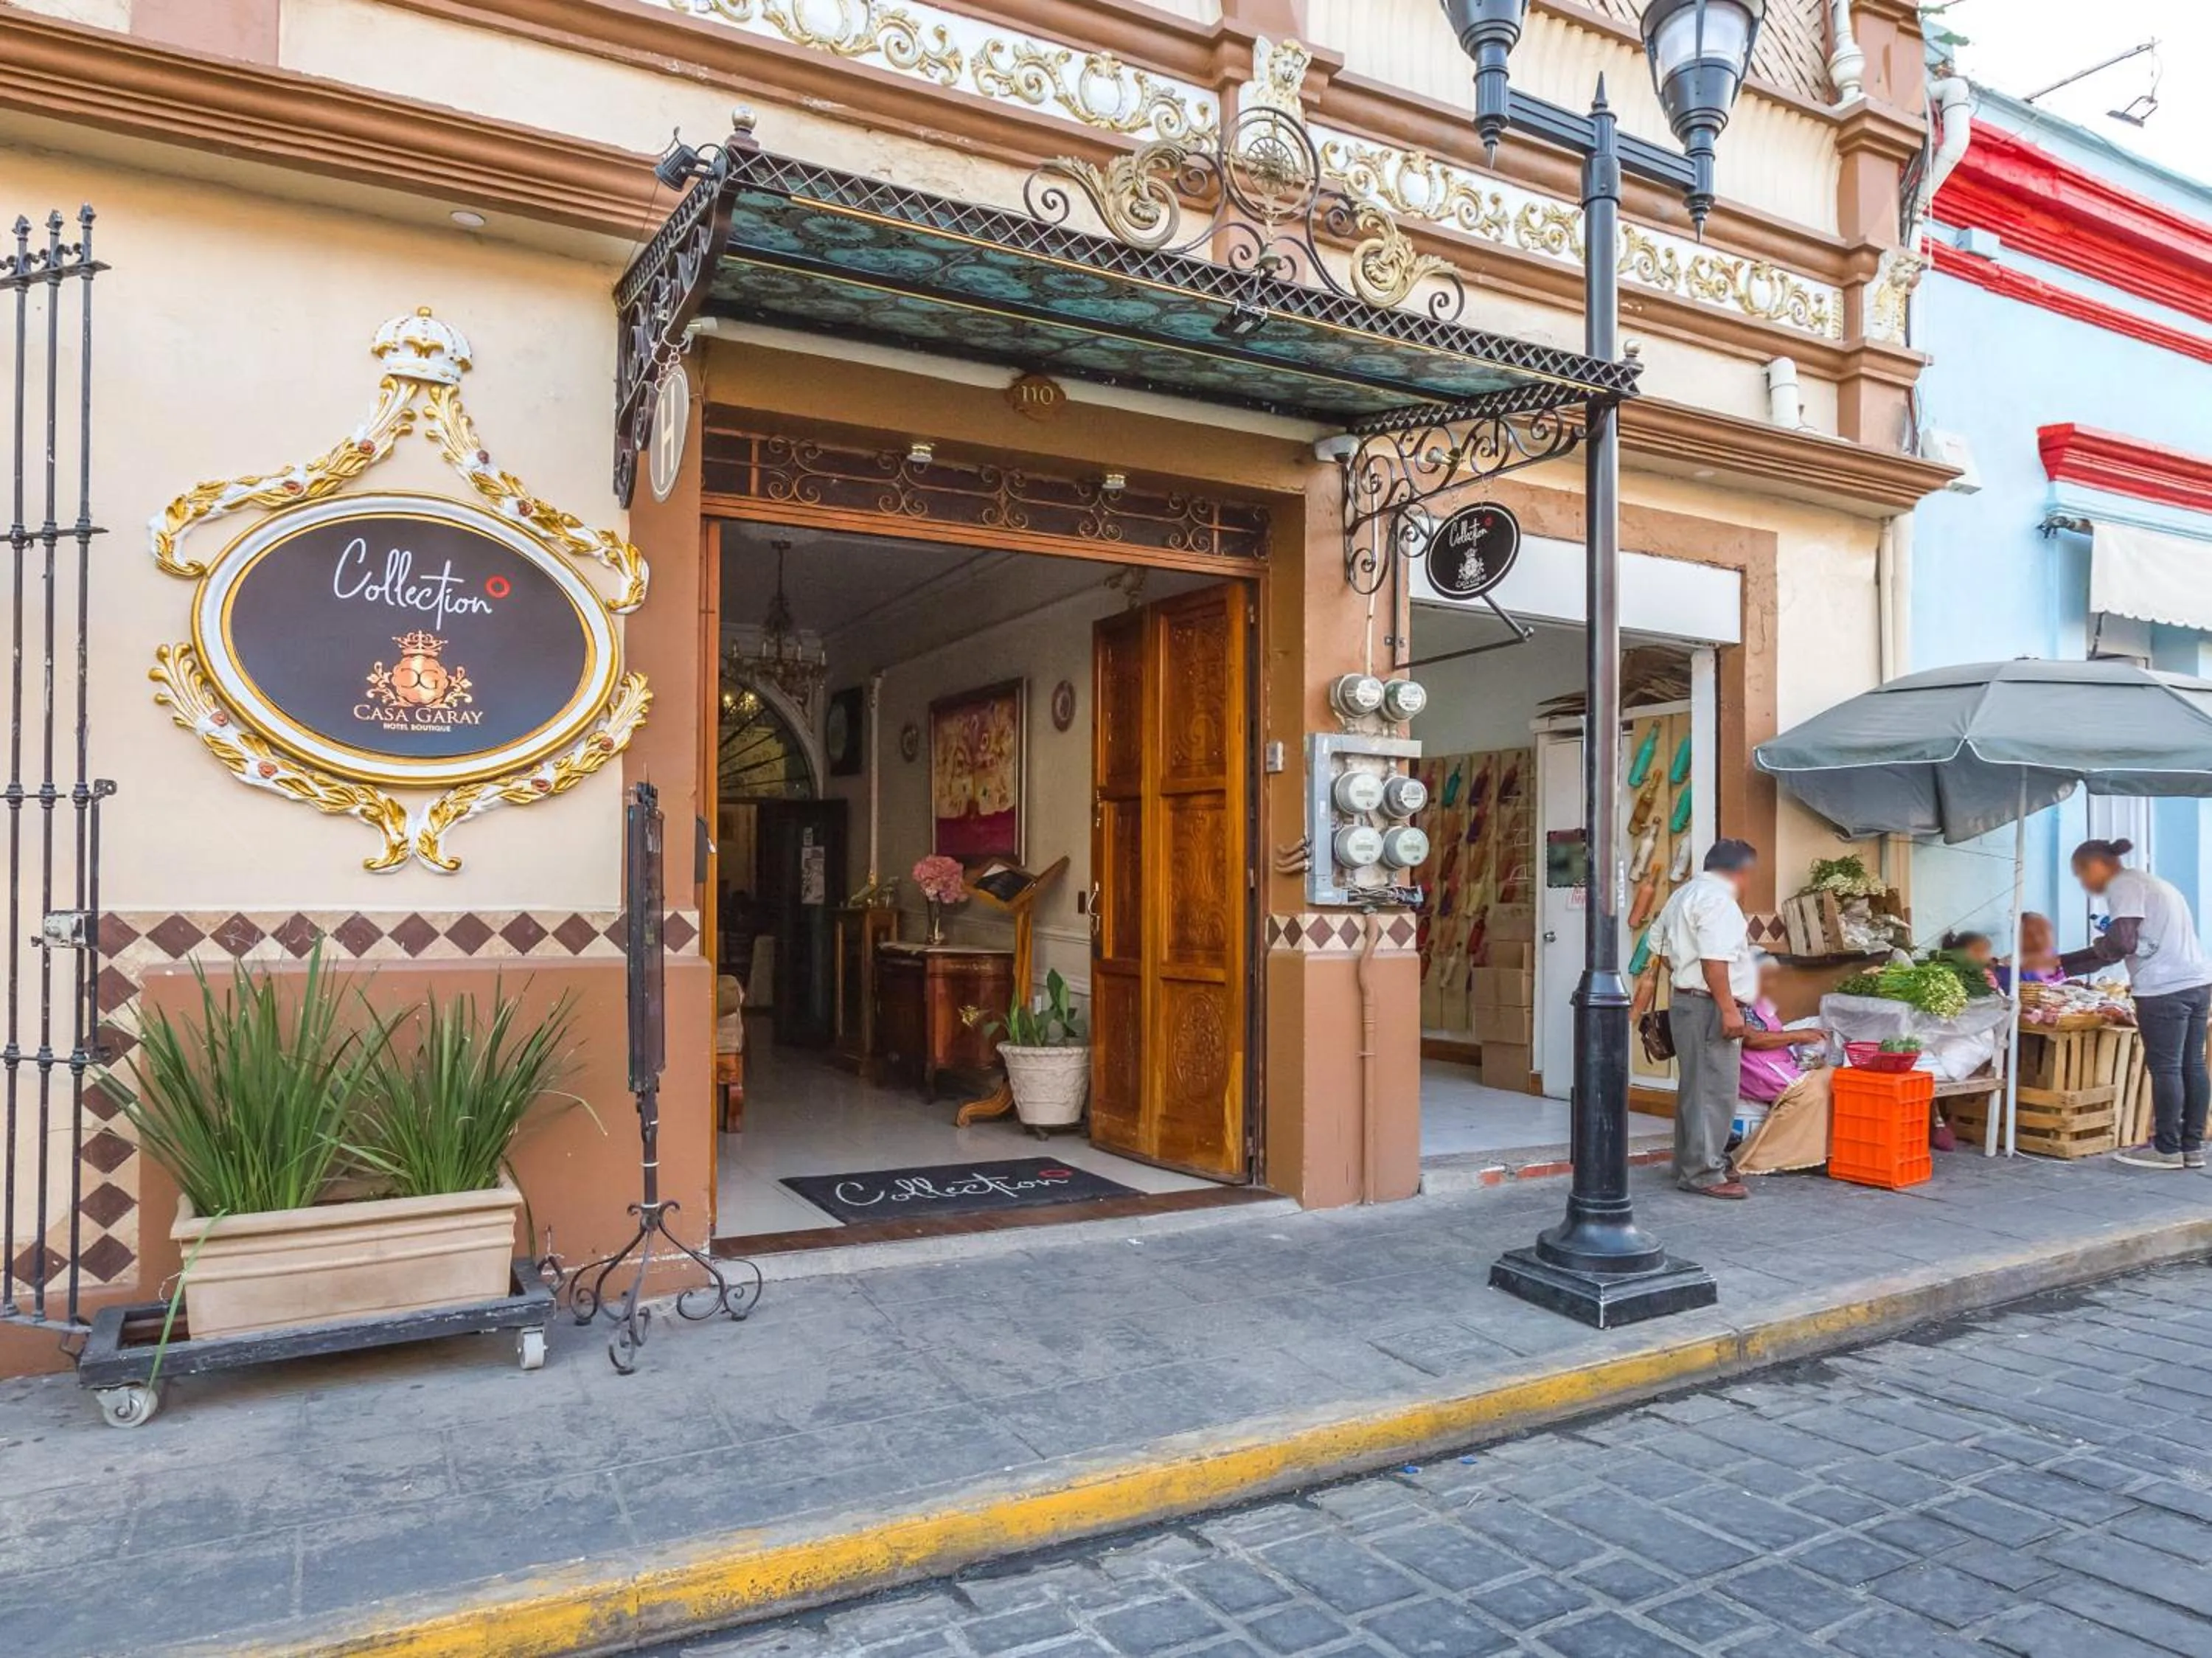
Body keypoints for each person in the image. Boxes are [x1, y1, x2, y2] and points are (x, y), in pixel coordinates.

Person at [2062, 840, 2212, 1170]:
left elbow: (2122, 943)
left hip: (2163, 987)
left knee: (2167, 1068)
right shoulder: (2154, 883)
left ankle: (2167, 1148)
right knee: (2193, 1065)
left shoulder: (2123, 885)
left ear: (2096, 866)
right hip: (2198, 982)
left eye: (2081, 875)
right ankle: (2193, 1147)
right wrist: (2069, 962)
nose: (2084, 884)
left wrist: (2070, 959)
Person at [1654, 839, 1761, 1199]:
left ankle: (1691, 1163)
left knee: (1696, 1086)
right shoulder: (1719, 900)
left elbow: (1658, 946)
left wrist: (1685, 979)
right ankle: (1703, 1172)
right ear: (1740, 871)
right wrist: (1729, 1009)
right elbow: (1714, 961)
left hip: (1689, 1000)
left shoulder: (1683, 894)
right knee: (1714, 1089)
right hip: (1710, 1004)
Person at [1733, 954, 1837, 1176]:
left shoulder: (1762, 1000)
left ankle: (1814, 1153)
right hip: (1755, 1069)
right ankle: (1768, 1156)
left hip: (1777, 1061)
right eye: (1766, 978)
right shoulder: (1740, 1001)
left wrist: (1801, 1040)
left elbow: (1777, 1033)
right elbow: (1753, 1040)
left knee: (1832, 1079)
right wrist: (1798, 1035)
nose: (1771, 984)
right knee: (1811, 1091)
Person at [2000, 912, 2067, 991]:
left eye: (2042, 932)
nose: (2037, 940)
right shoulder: (2011, 969)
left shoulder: (2052, 954)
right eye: (2029, 935)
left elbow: (2061, 979)